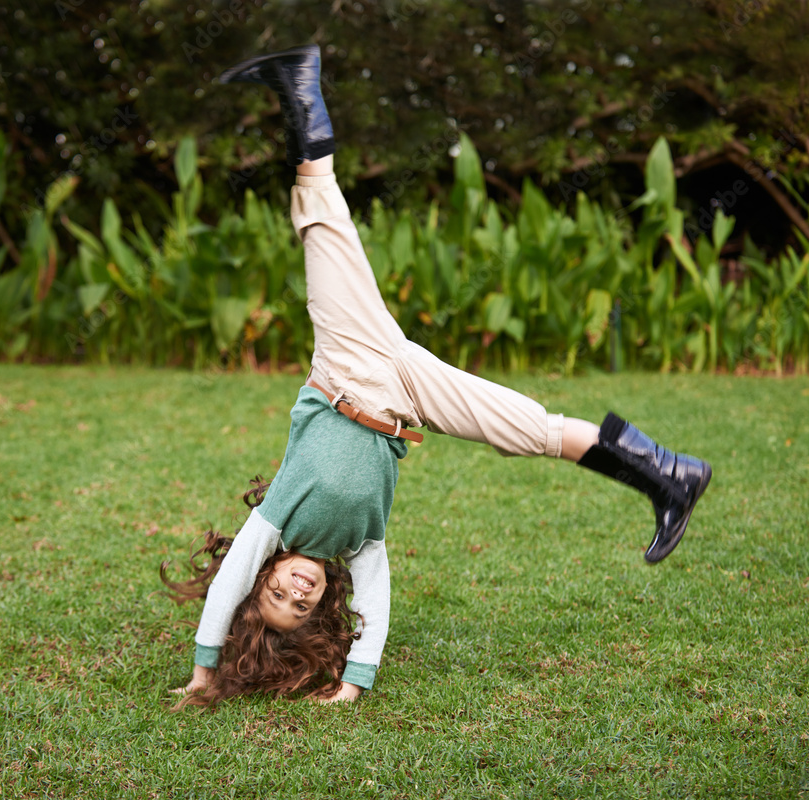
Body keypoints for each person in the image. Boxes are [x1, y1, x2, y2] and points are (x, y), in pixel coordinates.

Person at [164, 44, 712, 706]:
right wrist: (351, 687)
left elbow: (227, 588)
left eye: (277, 591)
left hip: (349, 366)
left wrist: (203, 672)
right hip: (407, 400)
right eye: (298, 607)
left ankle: (297, 84)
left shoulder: (278, 517)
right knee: (528, 429)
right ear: (319, 609)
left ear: (268, 570)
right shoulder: (361, 546)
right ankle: (670, 475)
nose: (294, 590)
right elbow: (377, 607)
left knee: (320, 219)